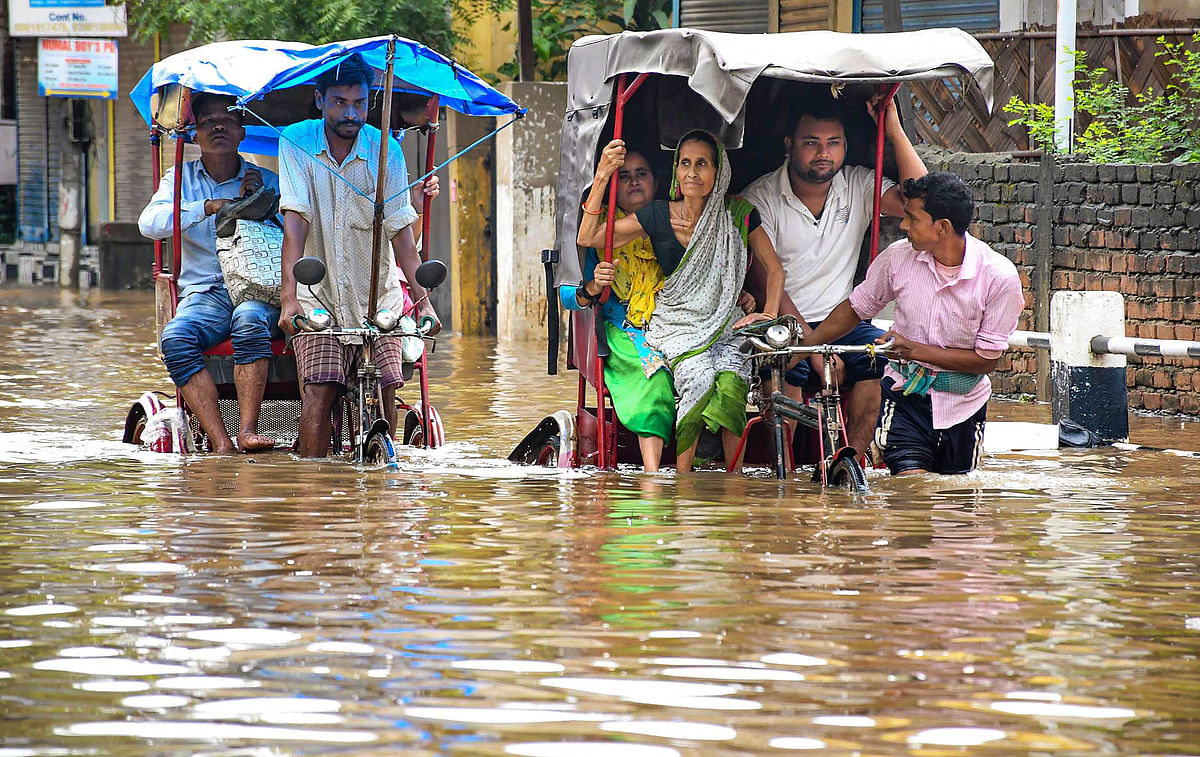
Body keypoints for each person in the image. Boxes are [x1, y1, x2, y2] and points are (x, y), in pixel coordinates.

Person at [578, 131, 785, 473]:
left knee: (733, 380)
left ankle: (734, 479)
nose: (692, 173)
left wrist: (768, 314)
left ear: (719, 172)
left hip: (725, 324)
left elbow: (775, 270)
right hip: (674, 326)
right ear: (675, 172)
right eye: (685, 164)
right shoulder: (658, 215)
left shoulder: (739, 214)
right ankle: (685, 478)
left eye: (702, 164)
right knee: (699, 378)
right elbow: (589, 237)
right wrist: (602, 175)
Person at [801, 172, 1023, 475]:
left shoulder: (999, 277)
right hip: (904, 396)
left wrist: (914, 350)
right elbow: (856, 308)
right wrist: (804, 347)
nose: (903, 225)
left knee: (955, 506)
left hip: (965, 405)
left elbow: (986, 361)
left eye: (911, 217)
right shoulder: (897, 258)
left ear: (942, 227)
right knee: (910, 487)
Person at [742, 94, 927, 456]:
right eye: (811, 142)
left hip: (843, 319)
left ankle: (852, 461)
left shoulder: (858, 185)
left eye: (833, 143)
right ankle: (786, 476)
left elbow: (924, 200)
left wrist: (893, 129)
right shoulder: (760, 198)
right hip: (782, 318)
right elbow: (764, 280)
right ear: (789, 145)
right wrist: (813, 347)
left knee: (878, 360)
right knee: (784, 371)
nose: (823, 152)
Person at [278, 53, 441, 458]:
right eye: (340, 102)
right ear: (320, 100)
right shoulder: (296, 142)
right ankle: (313, 494)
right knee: (318, 391)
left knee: (388, 385)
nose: (351, 113)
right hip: (319, 297)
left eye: (359, 103)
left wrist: (424, 301)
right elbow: (296, 223)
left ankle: (390, 478)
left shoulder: (386, 150)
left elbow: (402, 236)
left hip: (377, 299)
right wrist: (289, 299)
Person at [138, 93, 281, 453]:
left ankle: (247, 430)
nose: (218, 127)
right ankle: (221, 442)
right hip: (206, 292)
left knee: (249, 321)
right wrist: (206, 207)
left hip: (259, 288)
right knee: (175, 339)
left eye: (228, 120)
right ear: (194, 133)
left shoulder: (267, 179)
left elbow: (296, 234)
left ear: (242, 131)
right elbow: (149, 224)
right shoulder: (179, 180)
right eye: (208, 121)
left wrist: (259, 204)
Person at [562, 147, 674, 471]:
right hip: (623, 330)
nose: (634, 182)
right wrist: (594, 287)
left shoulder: (670, 221)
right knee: (655, 375)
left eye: (642, 174)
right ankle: (652, 475)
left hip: (675, 321)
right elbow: (570, 296)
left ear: (656, 181)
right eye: (624, 176)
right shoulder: (603, 230)